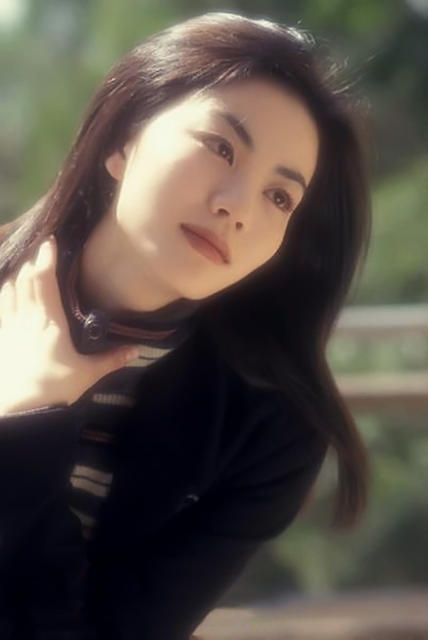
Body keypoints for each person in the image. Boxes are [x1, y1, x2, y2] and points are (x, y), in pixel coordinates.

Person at [0, 10, 371, 640]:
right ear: (124, 139)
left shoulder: (272, 431)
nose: (236, 206)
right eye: (220, 147)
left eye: (279, 197)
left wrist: (34, 421)